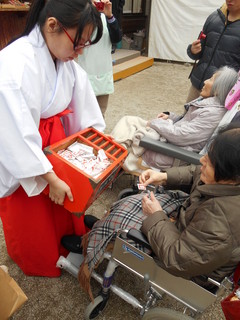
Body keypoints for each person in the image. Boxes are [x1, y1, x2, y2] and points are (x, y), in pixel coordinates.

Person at [0, 0, 105, 277]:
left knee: (62, 204)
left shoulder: (64, 61)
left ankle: (63, 246)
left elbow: (82, 106)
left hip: (54, 142)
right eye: (77, 43)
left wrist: (96, 145)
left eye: (85, 45)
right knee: (33, 214)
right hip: (27, 151)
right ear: (52, 25)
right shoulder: (13, 64)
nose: (80, 52)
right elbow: (12, 132)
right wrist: (48, 177)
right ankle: (37, 258)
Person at [77, 123, 240, 298]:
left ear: (231, 176)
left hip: (187, 267)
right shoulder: (225, 184)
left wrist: (156, 215)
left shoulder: (221, 222)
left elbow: (177, 260)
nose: (202, 160)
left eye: (210, 162)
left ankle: (95, 244)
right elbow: (195, 173)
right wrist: (164, 177)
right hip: (190, 229)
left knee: (127, 220)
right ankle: (103, 229)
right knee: (134, 201)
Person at [110, 66, 238, 173]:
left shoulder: (213, 113)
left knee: (128, 128)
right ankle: (114, 152)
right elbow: (187, 122)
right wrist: (170, 116)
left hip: (169, 151)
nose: (205, 81)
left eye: (211, 79)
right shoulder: (210, 105)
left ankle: (112, 157)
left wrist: (155, 123)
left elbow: (181, 135)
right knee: (128, 121)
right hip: (170, 140)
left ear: (219, 89)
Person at [186, 1, 240, 103]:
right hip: (197, 86)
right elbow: (199, 50)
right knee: (186, 117)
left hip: (220, 94)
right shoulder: (214, 17)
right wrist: (193, 50)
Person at [78, 0, 122, 117]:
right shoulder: (81, 13)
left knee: (101, 111)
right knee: (85, 111)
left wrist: (110, 16)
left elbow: (117, 38)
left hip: (104, 69)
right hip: (86, 69)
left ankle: (99, 132)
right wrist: (89, 12)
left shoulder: (107, 17)